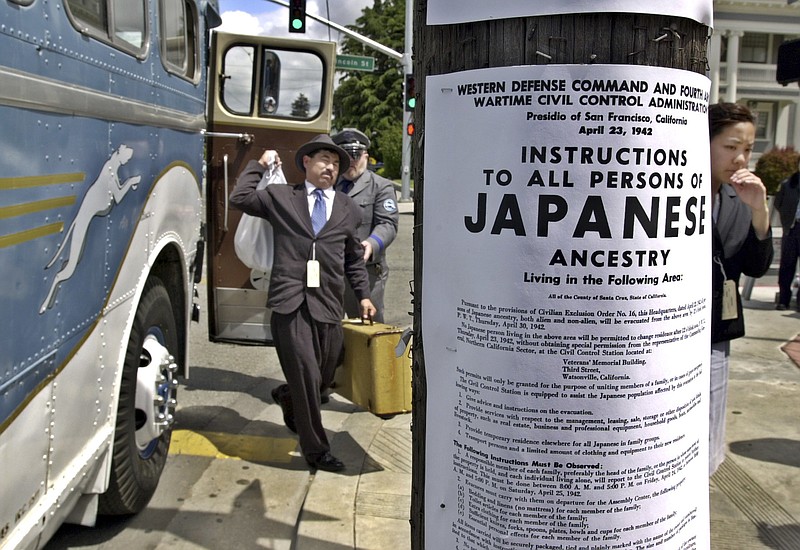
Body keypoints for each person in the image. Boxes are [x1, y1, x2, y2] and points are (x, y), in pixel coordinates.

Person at [229, 134, 377, 473]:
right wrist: (259, 165)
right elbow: (240, 198)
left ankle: (288, 396)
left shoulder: (348, 208)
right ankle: (317, 450)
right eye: (324, 159)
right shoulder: (282, 197)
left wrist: (364, 295)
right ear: (307, 163)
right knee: (308, 376)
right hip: (290, 303)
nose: (331, 166)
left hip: (327, 303)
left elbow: (353, 259)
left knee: (324, 378)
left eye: (336, 162)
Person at [708, 103, 774, 475]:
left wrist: (759, 212)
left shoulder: (737, 197)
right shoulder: (672, 193)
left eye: (747, 149)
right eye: (730, 147)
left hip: (719, 331)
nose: (740, 158)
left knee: (711, 425)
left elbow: (755, 266)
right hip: (669, 332)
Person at [332, 128, 399, 323]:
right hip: (332, 270)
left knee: (368, 326)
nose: (351, 161)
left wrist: (372, 243)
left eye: (356, 155)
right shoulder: (329, 184)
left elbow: (387, 223)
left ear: (366, 156)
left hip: (366, 270)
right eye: (346, 156)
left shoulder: (381, 186)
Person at [773, 157, 800, 310]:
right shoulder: (788, 184)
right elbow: (778, 203)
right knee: (787, 266)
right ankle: (784, 300)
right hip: (791, 228)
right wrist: (786, 219)